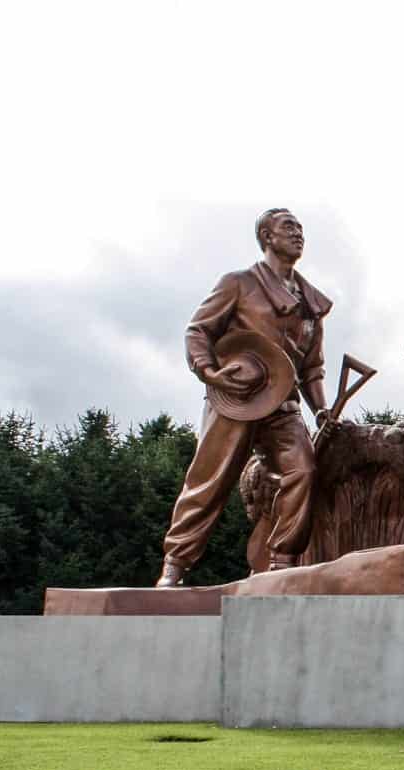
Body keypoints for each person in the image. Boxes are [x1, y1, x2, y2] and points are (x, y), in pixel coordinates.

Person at [156, 209, 330, 587]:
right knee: (210, 481)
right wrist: (209, 371)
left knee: (303, 471)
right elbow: (197, 330)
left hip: (283, 405)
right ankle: (175, 565)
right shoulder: (238, 283)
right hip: (238, 399)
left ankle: (282, 563)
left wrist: (321, 409)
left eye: (300, 228)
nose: (298, 234)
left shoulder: (310, 303)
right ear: (267, 237)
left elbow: (313, 367)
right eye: (288, 227)